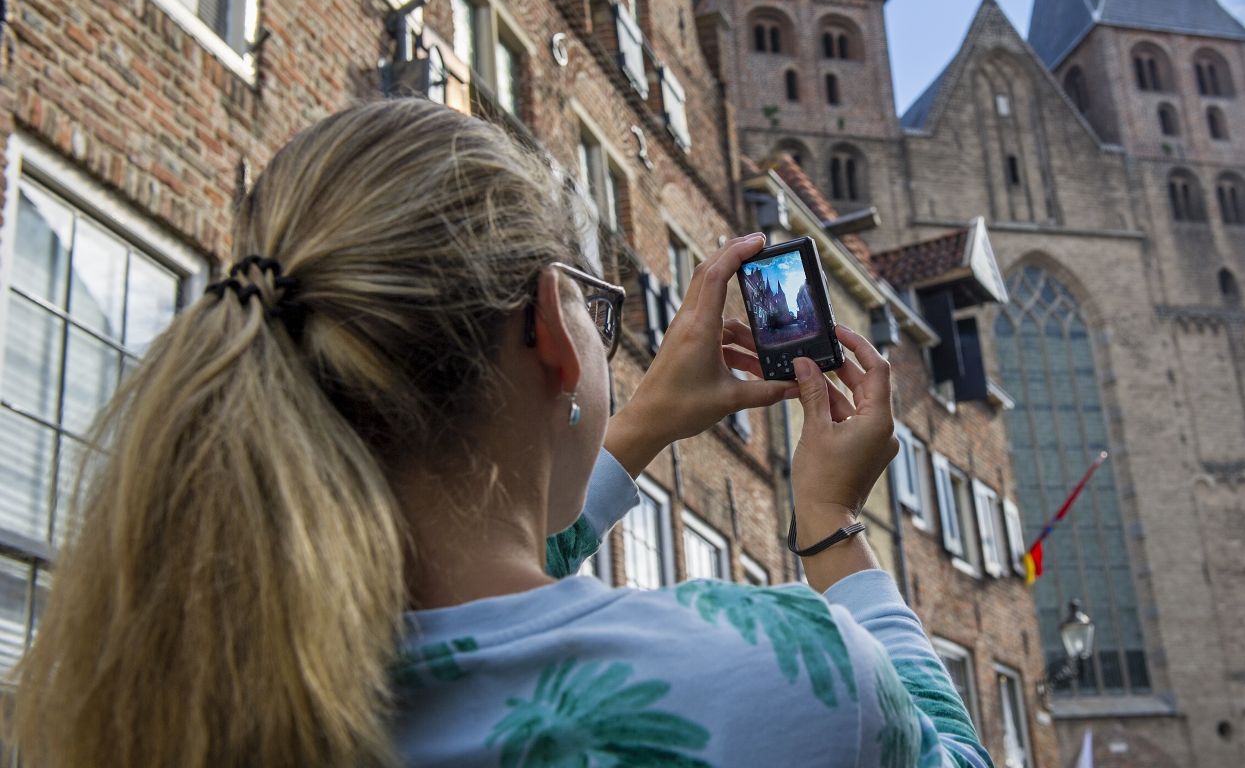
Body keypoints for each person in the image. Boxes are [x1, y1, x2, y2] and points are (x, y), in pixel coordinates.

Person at [7, 99, 993, 767]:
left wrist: (637, 419)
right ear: (558, 328)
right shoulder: (793, 672)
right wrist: (830, 525)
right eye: (599, 312)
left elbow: (474, 597)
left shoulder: (178, 687)